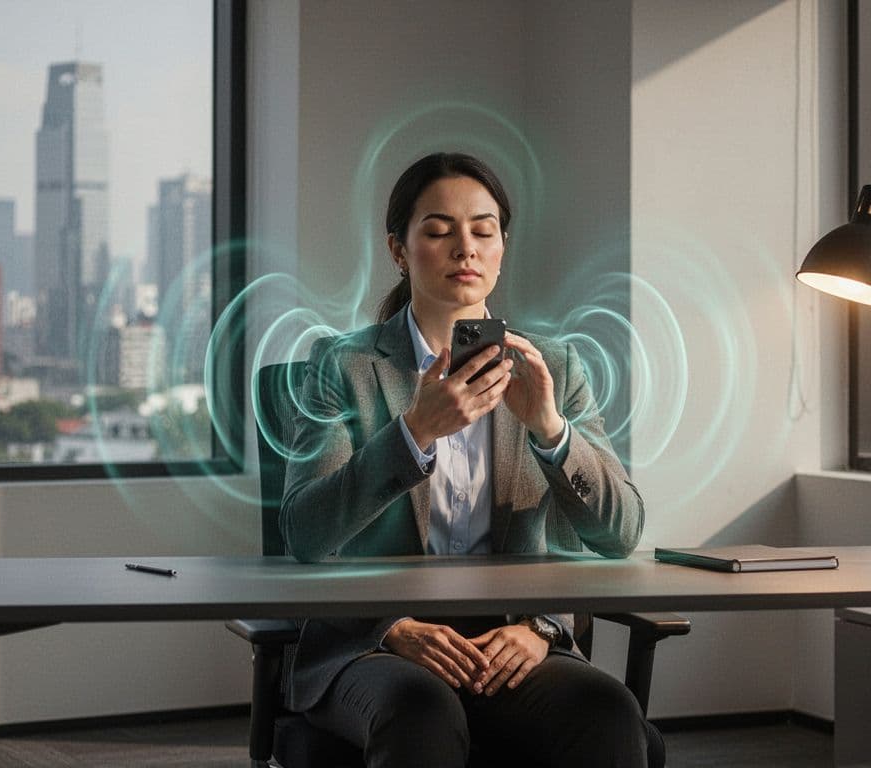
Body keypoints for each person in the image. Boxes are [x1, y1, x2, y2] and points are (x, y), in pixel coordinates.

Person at [280, 152, 658, 768]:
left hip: (509, 639)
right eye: (438, 231)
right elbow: (305, 531)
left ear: (502, 246)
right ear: (399, 250)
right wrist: (413, 433)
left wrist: (549, 428)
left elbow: (622, 534)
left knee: (608, 712)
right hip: (377, 642)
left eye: (483, 231)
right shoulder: (341, 366)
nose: (466, 249)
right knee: (422, 712)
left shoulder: (554, 367)